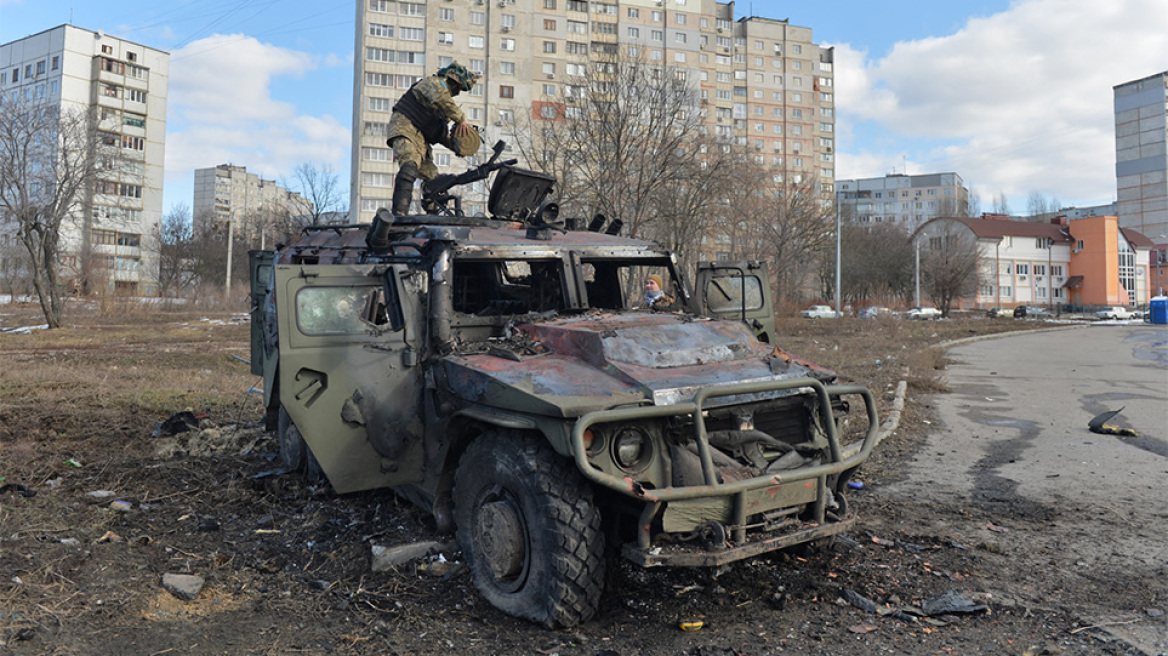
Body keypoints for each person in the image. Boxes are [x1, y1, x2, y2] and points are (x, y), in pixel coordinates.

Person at [387, 63, 479, 215]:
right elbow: (441, 97)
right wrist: (461, 119)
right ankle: (399, 212)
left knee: (432, 179)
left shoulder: (442, 106)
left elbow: (439, 134)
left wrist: (457, 146)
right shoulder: (433, 83)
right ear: (453, 80)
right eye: (459, 87)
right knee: (410, 163)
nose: (458, 91)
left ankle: (433, 213)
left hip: (421, 138)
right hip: (405, 126)